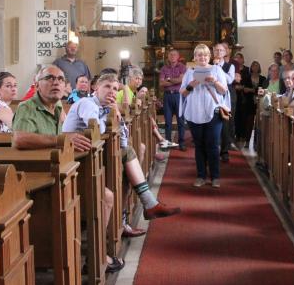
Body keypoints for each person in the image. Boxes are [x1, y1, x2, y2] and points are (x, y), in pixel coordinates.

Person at [12, 65, 125, 273]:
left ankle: (95, 253)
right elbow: (19, 139)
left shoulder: (56, 108)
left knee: (106, 195)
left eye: (60, 79)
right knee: (106, 197)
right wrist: (62, 140)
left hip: (57, 171)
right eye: (49, 78)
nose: (56, 83)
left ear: (65, 86)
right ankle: (94, 256)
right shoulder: (26, 107)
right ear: (37, 84)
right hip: (35, 180)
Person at [63, 72, 181, 221]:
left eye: (114, 88)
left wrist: (115, 111)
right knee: (126, 153)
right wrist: (110, 112)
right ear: (96, 88)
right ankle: (148, 204)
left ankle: (129, 217)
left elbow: (122, 138)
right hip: (75, 158)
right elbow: (96, 131)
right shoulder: (88, 103)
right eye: (107, 87)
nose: (111, 91)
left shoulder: (105, 107)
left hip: (91, 152)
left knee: (126, 166)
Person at [181, 44, 229, 188]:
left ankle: (215, 176)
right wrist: (192, 85)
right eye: (199, 55)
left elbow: (224, 91)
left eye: (205, 55)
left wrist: (214, 81)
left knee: (213, 145)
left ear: (209, 57)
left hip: (213, 112)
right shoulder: (189, 72)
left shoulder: (216, 69)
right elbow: (183, 93)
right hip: (194, 112)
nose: (202, 57)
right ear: (194, 57)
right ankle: (201, 176)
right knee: (199, 145)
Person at [159, 48, 187, 150]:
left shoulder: (183, 67)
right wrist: (175, 81)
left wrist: (169, 80)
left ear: (178, 56)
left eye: (174, 55)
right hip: (167, 96)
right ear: (168, 56)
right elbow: (161, 83)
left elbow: (181, 80)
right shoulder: (163, 68)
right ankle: (168, 142)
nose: (172, 56)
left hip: (178, 95)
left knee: (180, 120)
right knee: (168, 121)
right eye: (170, 54)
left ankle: (182, 142)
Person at [213, 43, 236, 162]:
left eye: (221, 50)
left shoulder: (230, 66)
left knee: (225, 124)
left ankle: (225, 151)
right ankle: (213, 150)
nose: (218, 52)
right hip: (212, 98)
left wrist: (218, 68)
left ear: (225, 52)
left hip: (226, 97)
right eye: (216, 50)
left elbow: (229, 80)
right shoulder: (209, 65)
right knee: (212, 124)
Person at [240, 60, 268, 148]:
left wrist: (251, 90)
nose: (255, 67)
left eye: (257, 66)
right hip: (249, 102)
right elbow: (244, 90)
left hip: (260, 102)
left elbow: (263, 91)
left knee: (259, 123)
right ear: (251, 67)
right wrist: (252, 91)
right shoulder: (247, 77)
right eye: (253, 66)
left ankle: (257, 143)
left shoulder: (263, 78)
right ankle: (247, 141)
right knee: (249, 122)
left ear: (259, 68)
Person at [232, 52, 250, 144]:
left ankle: (243, 135)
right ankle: (236, 135)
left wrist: (242, 87)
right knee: (235, 116)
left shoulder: (247, 69)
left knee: (243, 116)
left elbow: (249, 81)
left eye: (239, 57)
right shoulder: (232, 68)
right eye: (236, 57)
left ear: (243, 59)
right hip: (234, 94)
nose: (237, 59)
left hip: (245, 95)